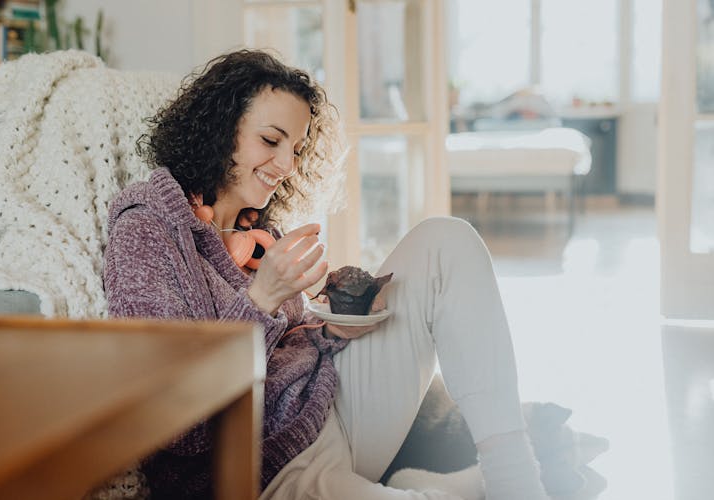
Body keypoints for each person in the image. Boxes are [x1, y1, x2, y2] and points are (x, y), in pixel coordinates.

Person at [103, 49, 549, 500]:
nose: (286, 166)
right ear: (220, 129)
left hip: (330, 404)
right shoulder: (147, 228)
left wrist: (331, 328)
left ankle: (515, 476)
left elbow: (289, 343)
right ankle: (434, 489)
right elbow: (174, 424)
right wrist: (260, 299)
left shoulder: (256, 227)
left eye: (295, 149)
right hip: (267, 466)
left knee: (446, 241)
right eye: (271, 140)